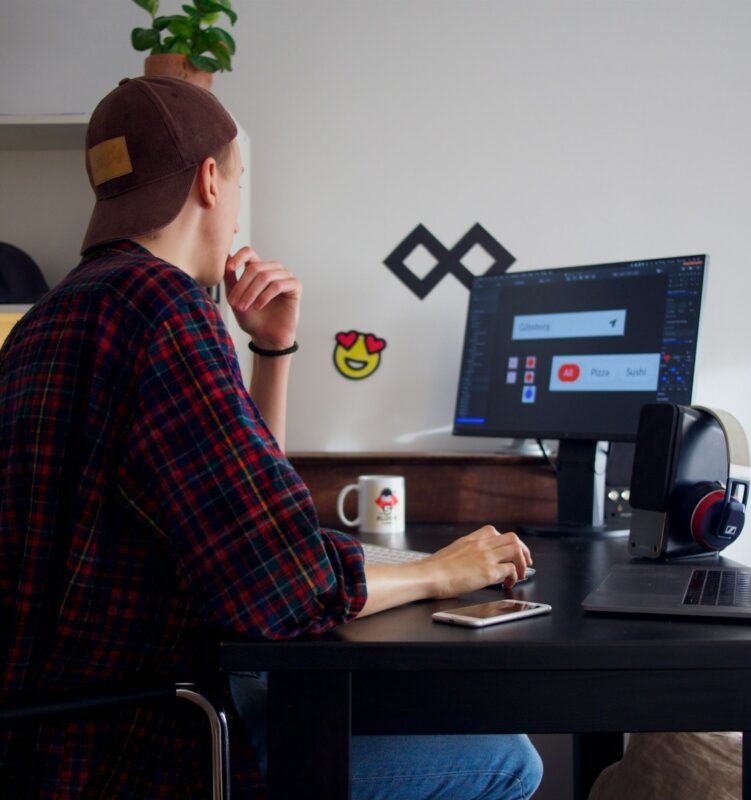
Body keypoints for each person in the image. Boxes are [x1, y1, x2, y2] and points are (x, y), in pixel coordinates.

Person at [0, 76, 543, 799]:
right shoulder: (163, 312)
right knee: (508, 759)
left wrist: (272, 353)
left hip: (45, 740)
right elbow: (280, 588)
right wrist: (442, 572)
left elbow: (246, 514)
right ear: (211, 179)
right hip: (142, 749)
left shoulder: (50, 315)